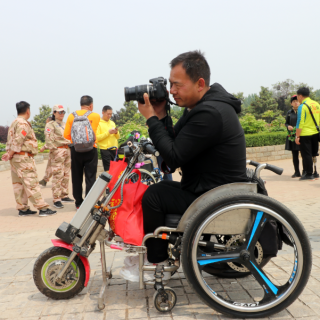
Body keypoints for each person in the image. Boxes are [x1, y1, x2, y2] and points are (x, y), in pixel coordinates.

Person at [120, 50, 247, 282]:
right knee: (158, 190)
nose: (172, 91)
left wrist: (151, 119)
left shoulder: (209, 113)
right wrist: (160, 115)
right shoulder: (204, 107)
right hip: (210, 188)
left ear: (200, 83)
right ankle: (158, 252)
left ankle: (157, 260)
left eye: (177, 85)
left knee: (155, 196)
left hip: (214, 195)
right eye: (170, 84)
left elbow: (174, 156)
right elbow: (173, 147)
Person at [1, 101, 57, 217]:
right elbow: (18, 141)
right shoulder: (23, 124)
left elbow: (11, 140)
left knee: (19, 184)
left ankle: (23, 208)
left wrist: (9, 154)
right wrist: (11, 153)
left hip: (16, 158)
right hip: (23, 158)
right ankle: (42, 207)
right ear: (28, 111)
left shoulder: (14, 122)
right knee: (31, 182)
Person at [64, 96, 100, 209]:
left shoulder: (71, 116)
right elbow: (96, 132)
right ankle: (89, 203)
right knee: (90, 177)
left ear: (81, 104)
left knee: (76, 176)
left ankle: (78, 202)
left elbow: (66, 135)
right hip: (91, 149)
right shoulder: (95, 116)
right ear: (91, 105)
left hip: (76, 150)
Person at [44, 105, 73, 208]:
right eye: (59, 112)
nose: (62, 114)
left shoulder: (65, 125)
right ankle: (56, 198)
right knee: (58, 175)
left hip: (67, 150)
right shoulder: (50, 125)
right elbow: (48, 139)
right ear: (54, 113)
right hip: (58, 150)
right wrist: (54, 150)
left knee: (66, 174)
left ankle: (64, 195)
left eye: (63, 112)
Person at [295, 87, 320, 180]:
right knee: (313, 153)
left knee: (306, 154)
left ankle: (309, 174)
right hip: (315, 133)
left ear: (300, 96)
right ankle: (315, 173)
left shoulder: (302, 106)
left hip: (305, 134)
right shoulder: (317, 104)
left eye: (297, 96)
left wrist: (297, 136)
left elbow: (300, 122)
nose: (297, 98)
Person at [151, 99, 175, 180]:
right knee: (164, 169)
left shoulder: (163, 120)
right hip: (162, 147)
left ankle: (169, 183)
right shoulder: (167, 118)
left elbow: (169, 134)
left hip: (164, 148)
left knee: (166, 169)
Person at [96, 105, 120, 172]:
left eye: (111, 114)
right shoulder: (99, 123)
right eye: (108, 114)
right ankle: (110, 182)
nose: (109, 116)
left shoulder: (112, 122)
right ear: (103, 113)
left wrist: (116, 132)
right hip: (105, 150)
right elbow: (97, 138)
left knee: (116, 170)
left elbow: (118, 137)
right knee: (108, 170)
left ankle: (115, 182)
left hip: (114, 149)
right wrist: (108, 133)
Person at [285, 95, 301, 178]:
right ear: (291, 103)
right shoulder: (289, 113)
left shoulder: (302, 111)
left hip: (301, 135)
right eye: (294, 101)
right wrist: (288, 126)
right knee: (295, 154)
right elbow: (286, 123)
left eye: (297, 101)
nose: (296, 102)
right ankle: (297, 172)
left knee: (304, 154)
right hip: (292, 135)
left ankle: (306, 172)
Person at [39, 117, 53, 186]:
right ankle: (45, 179)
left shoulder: (50, 128)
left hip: (56, 151)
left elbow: (50, 140)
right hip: (57, 150)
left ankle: (45, 180)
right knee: (50, 166)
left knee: (52, 166)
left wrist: (43, 147)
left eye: (46, 122)